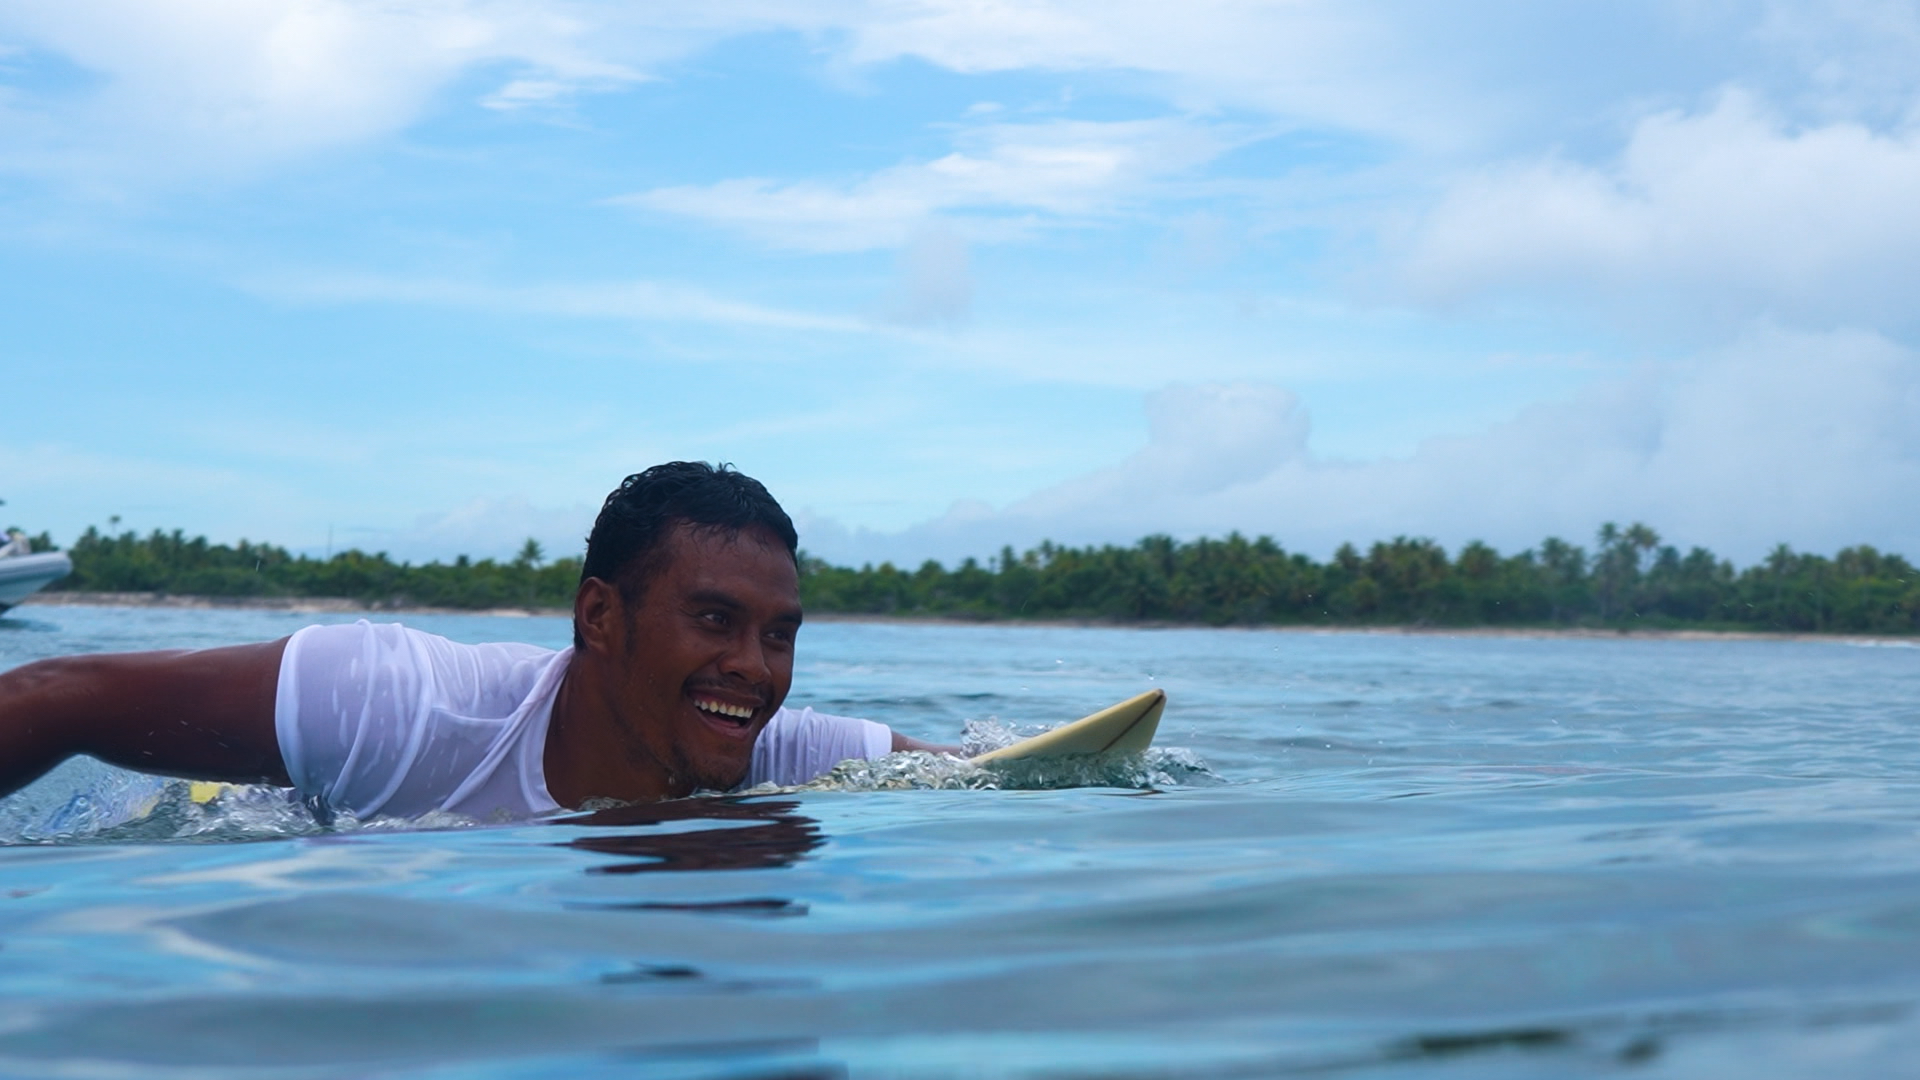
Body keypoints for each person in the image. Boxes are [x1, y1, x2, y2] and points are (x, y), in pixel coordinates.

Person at [0, 462, 955, 821]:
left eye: (779, 635)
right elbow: (57, 697)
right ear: (599, 618)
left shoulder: (776, 752)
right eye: (715, 620)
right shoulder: (400, 702)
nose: (753, 667)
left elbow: (989, 772)